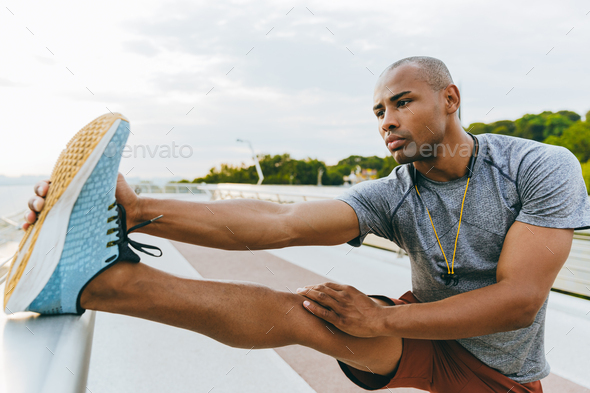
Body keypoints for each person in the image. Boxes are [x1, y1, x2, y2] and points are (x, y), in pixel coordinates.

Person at [9, 56, 590, 392]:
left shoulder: (536, 167)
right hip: (421, 336)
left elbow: (518, 299)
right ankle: (101, 284)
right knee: (309, 314)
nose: (387, 121)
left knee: (362, 316)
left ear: (451, 98)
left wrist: (384, 314)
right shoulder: (394, 192)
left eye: (402, 102)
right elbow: (276, 221)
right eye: (379, 112)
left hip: (498, 376)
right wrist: (138, 211)